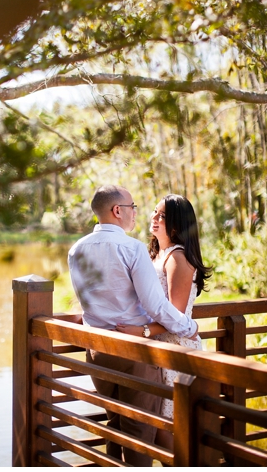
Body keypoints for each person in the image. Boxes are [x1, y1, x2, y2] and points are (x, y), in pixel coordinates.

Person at [67, 184, 198, 466]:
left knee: (115, 427)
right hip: (133, 352)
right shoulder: (133, 249)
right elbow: (155, 306)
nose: (137, 214)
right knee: (139, 433)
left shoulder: (76, 249)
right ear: (117, 211)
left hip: (97, 351)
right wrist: (188, 327)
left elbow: (86, 300)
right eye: (133, 207)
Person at [116, 194, 211, 451]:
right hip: (155, 348)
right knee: (154, 423)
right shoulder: (157, 255)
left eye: (162, 216)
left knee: (165, 428)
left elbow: (176, 316)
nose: (154, 218)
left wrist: (143, 330)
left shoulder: (177, 258)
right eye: (154, 213)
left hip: (176, 347)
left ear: (177, 225)